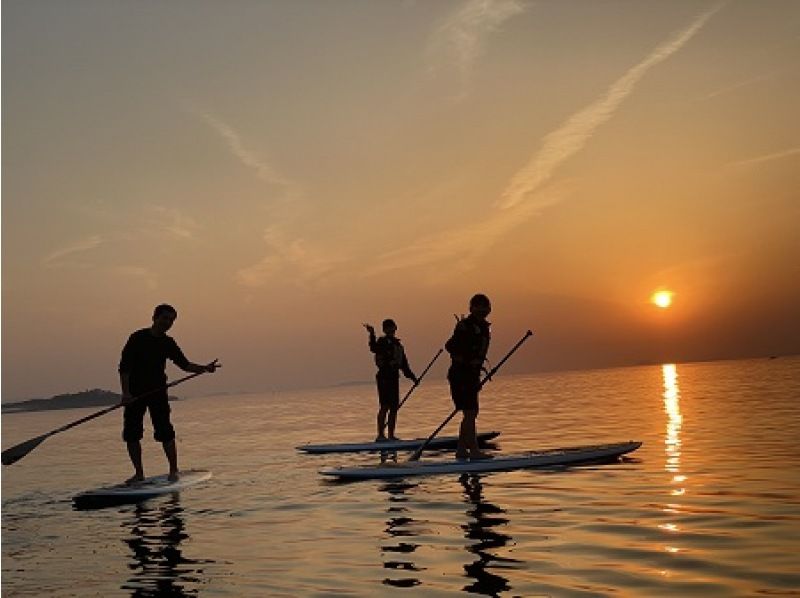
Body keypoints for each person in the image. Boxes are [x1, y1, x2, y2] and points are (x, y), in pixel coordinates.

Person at [119, 304, 218, 483]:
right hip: (135, 394)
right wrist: (126, 394)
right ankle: (139, 474)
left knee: (165, 431)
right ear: (154, 318)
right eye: (165, 318)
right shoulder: (137, 338)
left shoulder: (167, 343)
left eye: (171, 320)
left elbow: (185, 365)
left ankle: (173, 470)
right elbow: (124, 368)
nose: (167, 322)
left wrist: (205, 368)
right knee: (132, 433)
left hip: (158, 392)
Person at [445, 293, 492, 460]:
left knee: (471, 412)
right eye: (478, 306)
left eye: (485, 307)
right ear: (471, 308)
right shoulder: (464, 326)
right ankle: (474, 451)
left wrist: (476, 369)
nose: (482, 309)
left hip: (472, 375)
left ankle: (461, 450)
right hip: (460, 375)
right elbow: (450, 346)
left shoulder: (485, 327)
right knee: (470, 412)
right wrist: (467, 362)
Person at [363, 319, 418, 441]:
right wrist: (372, 334)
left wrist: (413, 378)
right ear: (384, 330)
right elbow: (373, 348)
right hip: (383, 377)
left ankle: (391, 435)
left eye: (392, 328)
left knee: (394, 407)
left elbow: (404, 365)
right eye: (388, 328)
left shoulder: (398, 346)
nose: (391, 330)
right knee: (385, 406)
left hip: (394, 378)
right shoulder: (382, 342)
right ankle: (381, 435)